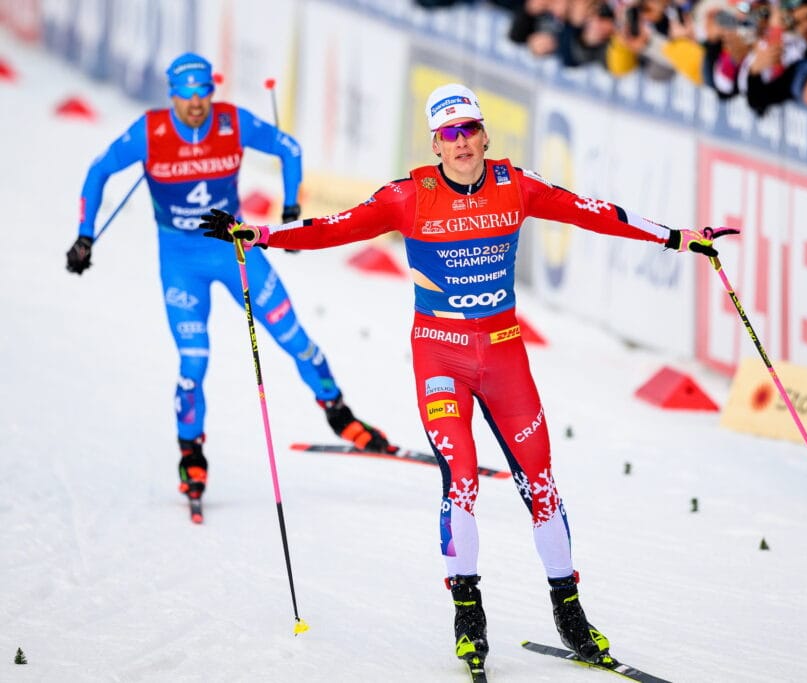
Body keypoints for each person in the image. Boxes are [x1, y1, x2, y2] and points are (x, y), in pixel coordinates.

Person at [199, 82, 731, 670]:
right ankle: (468, 611)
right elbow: (335, 227)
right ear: (435, 144)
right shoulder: (407, 196)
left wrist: (678, 237)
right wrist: (262, 234)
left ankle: (569, 609)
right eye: (449, 135)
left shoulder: (516, 185)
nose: (462, 144)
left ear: (484, 135)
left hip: (504, 354)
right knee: (461, 479)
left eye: (470, 131)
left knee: (543, 487)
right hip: (440, 355)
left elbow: (596, 213)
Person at [64, 53, 392, 513]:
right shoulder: (150, 130)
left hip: (235, 251)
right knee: (193, 362)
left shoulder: (231, 122)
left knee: (294, 337)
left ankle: (339, 413)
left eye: (204, 93)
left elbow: (289, 149)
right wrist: (85, 236)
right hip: (181, 262)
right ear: (172, 94)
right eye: (186, 94)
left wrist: (291, 214)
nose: (196, 103)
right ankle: (191, 454)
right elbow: (99, 172)